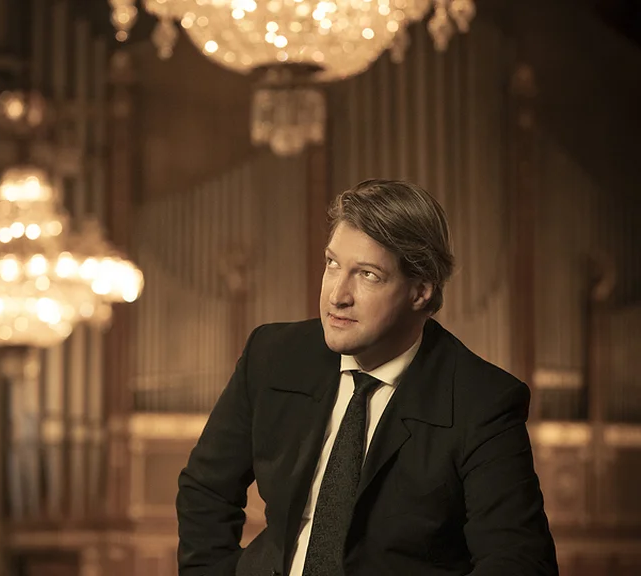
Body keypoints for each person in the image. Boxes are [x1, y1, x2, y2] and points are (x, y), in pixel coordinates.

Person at [176, 179, 559, 576]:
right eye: (332, 263)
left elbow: (519, 560)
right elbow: (206, 490)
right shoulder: (273, 354)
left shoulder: (483, 401)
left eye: (369, 275)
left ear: (420, 292)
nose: (337, 295)